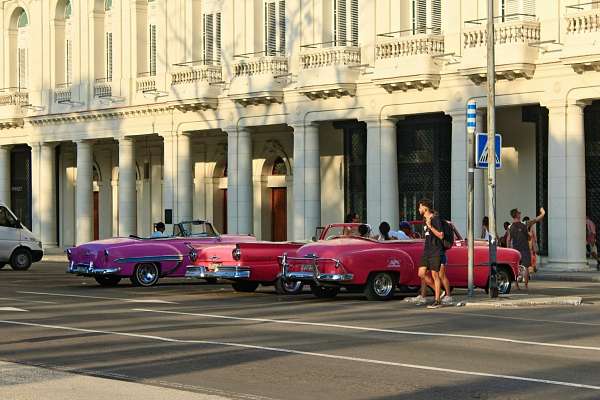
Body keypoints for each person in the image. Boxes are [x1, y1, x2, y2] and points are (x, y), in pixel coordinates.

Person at [508, 207, 545, 289]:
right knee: (526, 267)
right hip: (524, 249)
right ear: (517, 215)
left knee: (516, 267)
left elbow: (508, 239)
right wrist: (542, 214)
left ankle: (517, 285)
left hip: (515, 250)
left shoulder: (510, 227)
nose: (520, 214)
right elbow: (535, 220)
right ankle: (526, 285)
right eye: (519, 213)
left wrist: (509, 249)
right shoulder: (524, 224)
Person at [417, 199, 445, 308]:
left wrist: (430, 226)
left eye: (420, 207)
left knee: (435, 275)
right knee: (421, 273)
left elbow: (441, 235)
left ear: (425, 208)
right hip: (427, 251)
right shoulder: (424, 219)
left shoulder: (435, 218)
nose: (419, 209)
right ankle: (439, 291)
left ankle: (437, 300)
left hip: (435, 250)